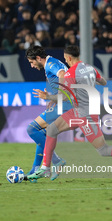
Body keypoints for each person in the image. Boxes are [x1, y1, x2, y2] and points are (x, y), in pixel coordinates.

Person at [28, 45, 112, 181]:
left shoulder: (71, 73)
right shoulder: (90, 68)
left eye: (65, 59)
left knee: (103, 150)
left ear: (69, 58)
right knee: (52, 130)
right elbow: (103, 82)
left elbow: (64, 97)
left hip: (84, 115)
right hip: (79, 111)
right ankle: (45, 168)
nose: (65, 62)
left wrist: (47, 96)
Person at [25, 45, 70, 179]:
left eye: (32, 62)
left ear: (38, 58)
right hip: (65, 104)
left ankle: (56, 161)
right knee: (43, 134)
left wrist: (58, 96)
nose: (32, 66)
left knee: (32, 129)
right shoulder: (52, 62)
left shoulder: (50, 64)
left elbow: (62, 74)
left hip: (66, 105)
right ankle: (35, 169)